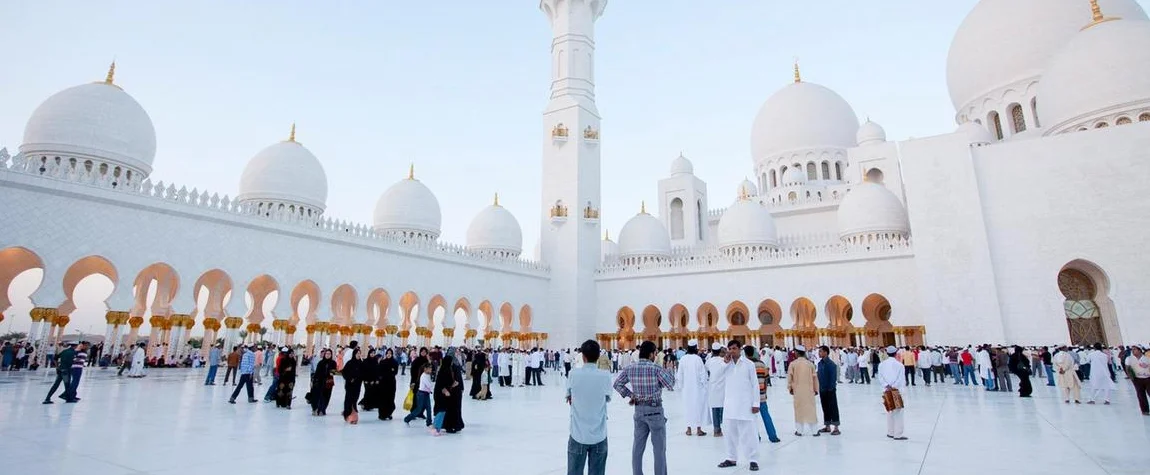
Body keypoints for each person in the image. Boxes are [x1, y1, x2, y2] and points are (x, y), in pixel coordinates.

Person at [613, 341, 675, 475]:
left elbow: (617, 384)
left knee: (637, 448)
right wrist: (669, 369)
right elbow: (670, 384)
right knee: (659, 449)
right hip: (655, 411)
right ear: (652, 354)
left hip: (639, 411)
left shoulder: (630, 368)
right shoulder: (656, 368)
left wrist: (631, 395)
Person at [567, 340, 612, 475]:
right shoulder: (605, 376)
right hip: (599, 434)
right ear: (598, 356)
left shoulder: (573, 374)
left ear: (582, 356)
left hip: (577, 434)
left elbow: (569, 397)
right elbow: (607, 398)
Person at [717, 342, 760, 472]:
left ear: (740, 349)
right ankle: (731, 458)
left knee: (749, 434)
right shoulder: (725, 364)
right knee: (730, 433)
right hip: (730, 405)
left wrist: (756, 403)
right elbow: (717, 375)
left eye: (734, 348)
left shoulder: (749, 364)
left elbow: (755, 384)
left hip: (745, 405)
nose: (732, 351)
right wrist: (725, 361)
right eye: (729, 349)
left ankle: (753, 459)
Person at [744, 346, 781, 443]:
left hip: (750, 396)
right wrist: (765, 392)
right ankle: (773, 436)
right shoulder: (761, 364)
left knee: (752, 418)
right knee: (766, 416)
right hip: (761, 394)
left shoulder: (746, 365)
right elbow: (765, 379)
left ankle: (756, 436)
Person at [675, 339, 709, 436]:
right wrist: (705, 385)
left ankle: (688, 429)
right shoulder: (697, 359)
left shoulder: (683, 359)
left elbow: (679, 374)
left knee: (687, 407)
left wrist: (681, 386)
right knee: (698, 407)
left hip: (686, 389)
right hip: (697, 388)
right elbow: (703, 374)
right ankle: (698, 429)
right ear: (695, 348)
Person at [786, 345, 819, 437]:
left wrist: (790, 388)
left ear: (796, 353)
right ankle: (815, 431)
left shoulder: (793, 364)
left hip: (798, 391)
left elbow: (790, 378)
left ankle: (799, 431)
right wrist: (816, 389)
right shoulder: (810, 364)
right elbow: (815, 378)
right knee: (811, 409)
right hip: (809, 391)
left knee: (799, 410)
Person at [876, 346, 907, 440]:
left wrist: (887, 385)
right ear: (896, 353)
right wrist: (893, 386)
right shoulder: (899, 365)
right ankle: (898, 434)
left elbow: (880, 377)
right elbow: (901, 379)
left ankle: (890, 432)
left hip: (886, 390)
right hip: (897, 391)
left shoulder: (881, 364)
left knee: (889, 410)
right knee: (898, 412)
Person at [433, 349, 465, 434]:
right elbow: (442, 382)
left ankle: (456, 424)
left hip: (455, 391)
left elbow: (458, 377)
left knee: (455, 409)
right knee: (450, 409)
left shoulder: (455, 364)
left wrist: (460, 387)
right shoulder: (447, 367)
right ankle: (449, 425)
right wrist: (451, 386)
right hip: (450, 392)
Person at [704, 342, 729, 437]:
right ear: (720, 351)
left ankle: (716, 430)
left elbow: (706, 371)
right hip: (723, 387)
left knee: (715, 409)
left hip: (713, 387)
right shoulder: (723, 361)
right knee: (723, 408)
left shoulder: (708, 361)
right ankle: (723, 427)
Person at [816, 346, 841, 435]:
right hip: (822, 389)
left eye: (821, 352)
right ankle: (827, 426)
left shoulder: (831, 364)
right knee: (825, 408)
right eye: (819, 352)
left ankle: (836, 427)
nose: (819, 353)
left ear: (826, 352)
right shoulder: (820, 364)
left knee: (833, 408)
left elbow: (832, 378)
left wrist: (831, 388)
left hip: (830, 390)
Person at [404, 362, 435, 427]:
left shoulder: (428, 375)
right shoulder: (423, 376)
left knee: (429, 408)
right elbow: (428, 385)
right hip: (421, 394)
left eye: (431, 368)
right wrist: (433, 389)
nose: (430, 369)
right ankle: (407, 419)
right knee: (419, 409)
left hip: (426, 394)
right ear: (425, 369)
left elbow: (429, 385)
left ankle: (429, 422)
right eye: (429, 368)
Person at [1123, 345, 1150, 415]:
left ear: (1139, 350)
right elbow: (1127, 369)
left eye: (1134, 349)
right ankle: (1145, 410)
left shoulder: (1147, 358)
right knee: (1141, 395)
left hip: (1148, 378)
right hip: (1137, 379)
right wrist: (1132, 378)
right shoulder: (1129, 359)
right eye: (1132, 349)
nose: (1133, 351)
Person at [309, 349, 337, 415]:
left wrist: (331, 373)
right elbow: (317, 373)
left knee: (327, 396)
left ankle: (323, 410)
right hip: (320, 382)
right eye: (327, 354)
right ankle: (318, 409)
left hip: (328, 382)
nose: (328, 355)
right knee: (320, 396)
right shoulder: (321, 362)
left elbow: (333, 372)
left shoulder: (333, 363)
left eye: (329, 354)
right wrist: (313, 381)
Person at [342, 347, 363, 423]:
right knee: (349, 399)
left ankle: (353, 416)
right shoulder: (349, 363)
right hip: (349, 385)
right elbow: (344, 372)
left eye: (360, 353)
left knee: (354, 399)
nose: (358, 355)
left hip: (357, 385)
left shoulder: (361, 363)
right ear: (354, 354)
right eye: (357, 353)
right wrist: (350, 378)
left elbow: (364, 373)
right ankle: (349, 415)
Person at [378, 348, 399, 420]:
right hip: (383, 383)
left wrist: (389, 372)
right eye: (387, 353)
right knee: (383, 398)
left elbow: (395, 372)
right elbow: (380, 372)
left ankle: (389, 413)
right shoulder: (382, 362)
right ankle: (382, 414)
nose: (388, 354)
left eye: (390, 353)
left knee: (390, 398)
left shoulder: (395, 362)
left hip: (391, 383)